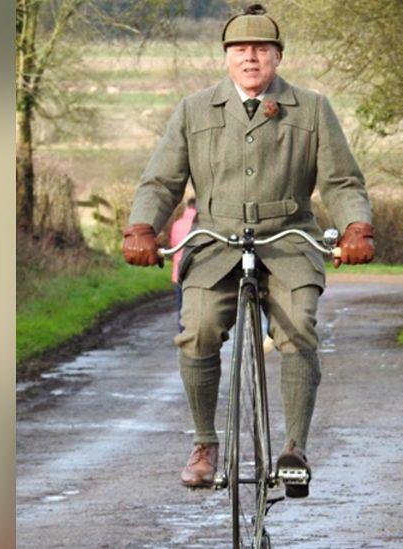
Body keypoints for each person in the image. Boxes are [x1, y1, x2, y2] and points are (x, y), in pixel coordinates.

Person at [121, 4, 374, 497]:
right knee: (197, 330)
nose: (251, 58)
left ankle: (295, 448)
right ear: (226, 58)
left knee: (297, 327)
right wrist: (141, 227)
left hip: (288, 239)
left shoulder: (313, 108)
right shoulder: (193, 110)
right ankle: (203, 444)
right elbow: (161, 181)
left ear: (278, 56)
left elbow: (342, 181)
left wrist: (356, 226)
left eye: (261, 49)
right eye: (240, 50)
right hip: (216, 241)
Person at [169, 197, 198, 332]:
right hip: (197, 270)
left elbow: (173, 244)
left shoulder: (177, 224)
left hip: (179, 271)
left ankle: (183, 335)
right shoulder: (200, 225)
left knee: (181, 307)